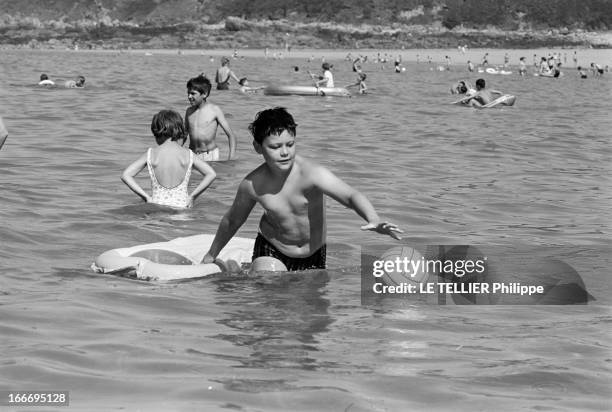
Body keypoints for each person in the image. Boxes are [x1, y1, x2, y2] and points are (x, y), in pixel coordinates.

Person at [200, 107, 402, 272]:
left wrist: (372, 218)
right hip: (273, 249)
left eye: (290, 144)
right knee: (268, 286)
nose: (285, 152)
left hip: (314, 252)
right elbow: (233, 220)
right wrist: (211, 254)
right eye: (275, 147)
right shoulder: (252, 184)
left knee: (310, 312)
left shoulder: (311, 174)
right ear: (258, 147)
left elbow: (350, 196)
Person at [121, 110, 216, 209]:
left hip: (157, 207)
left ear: (158, 132)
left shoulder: (151, 154)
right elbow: (211, 174)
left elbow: (125, 175)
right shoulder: (188, 154)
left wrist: (146, 197)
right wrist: (192, 197)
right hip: (181, 208)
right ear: (178, 129)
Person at [185, 75, 237, 162]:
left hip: (209, 155)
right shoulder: (189, 111)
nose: (189, 96)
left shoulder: (214, 110)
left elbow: (231, 135)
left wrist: (231, 159)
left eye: (193, 93)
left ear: (204, 94)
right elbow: (184, 135)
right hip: (192, 154)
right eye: (188, 93)